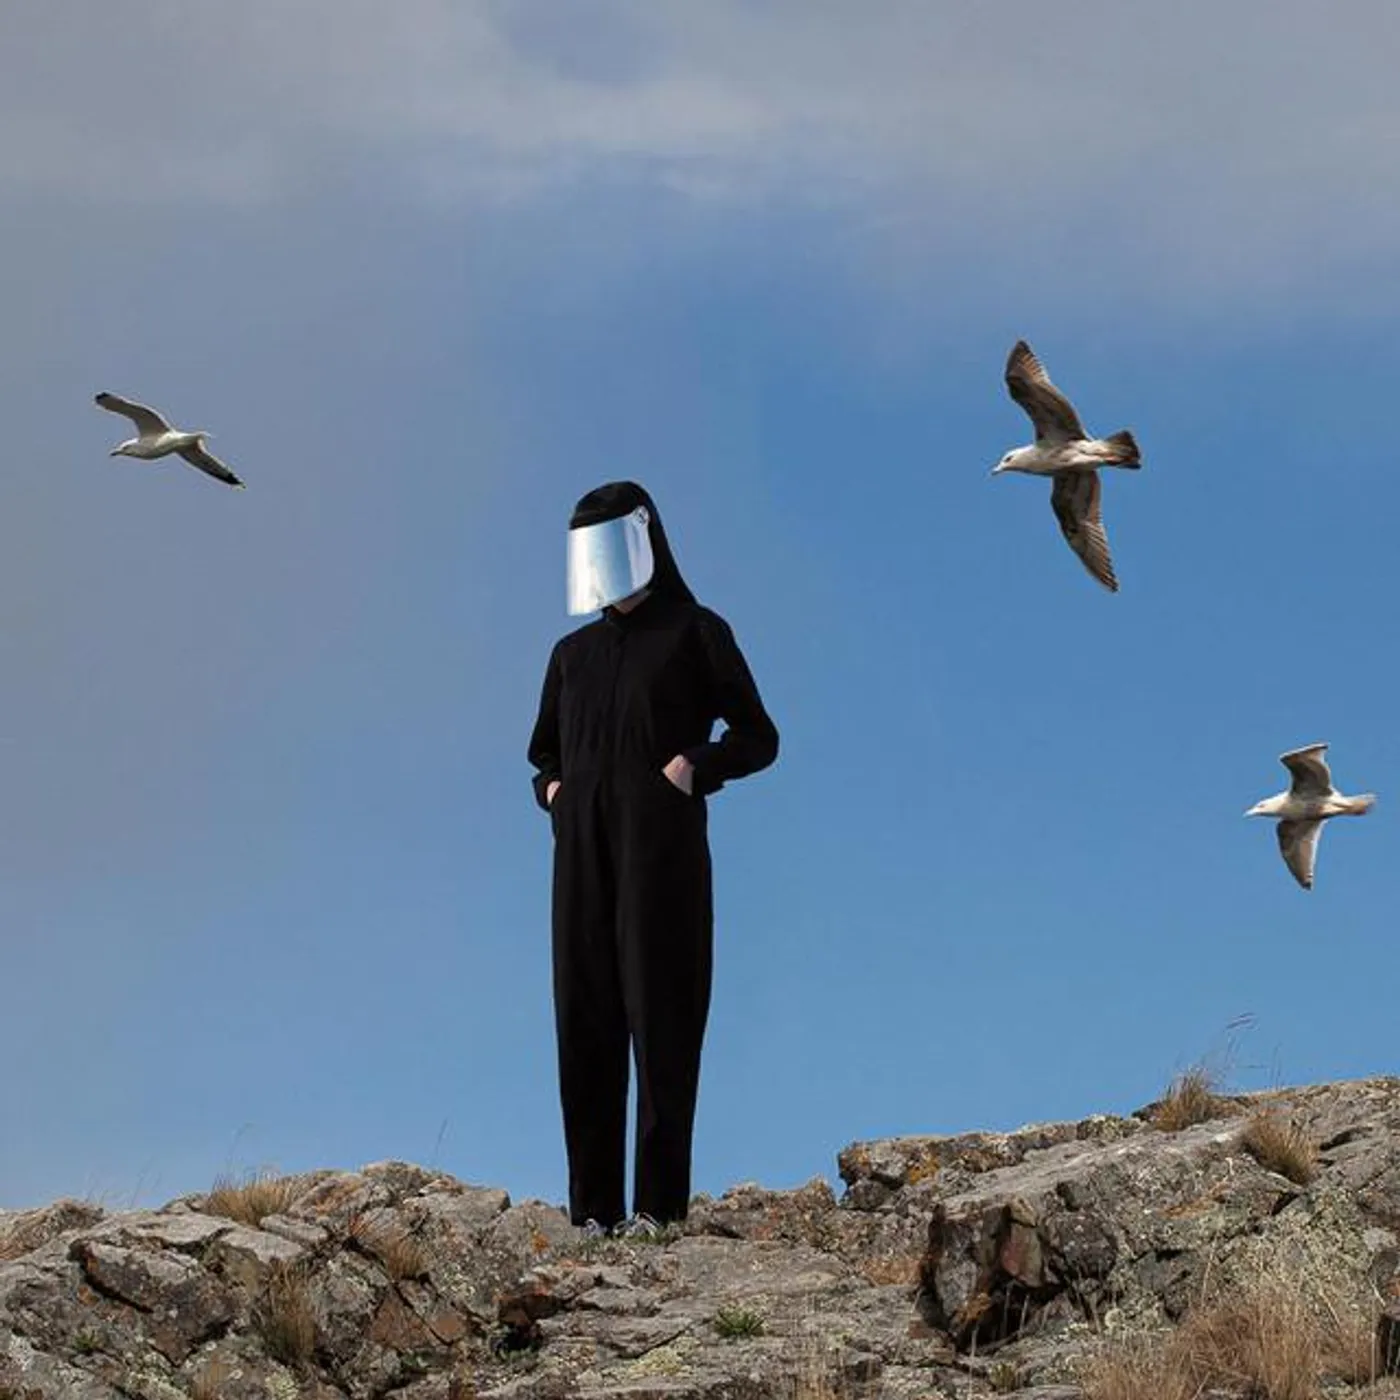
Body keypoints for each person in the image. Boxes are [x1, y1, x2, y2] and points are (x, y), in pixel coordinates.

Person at [528, 481, 779, 1235]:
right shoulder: (572, 654)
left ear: (643, 539)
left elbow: (758, 736)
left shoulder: (696, 632)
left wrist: (693, 768)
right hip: (579, 859)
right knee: (584, 1022)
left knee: (662, 1022)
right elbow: (542, 750)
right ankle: (592, 1215)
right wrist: (554, 793)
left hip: (661, 857)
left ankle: (658, 1212)